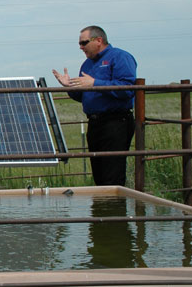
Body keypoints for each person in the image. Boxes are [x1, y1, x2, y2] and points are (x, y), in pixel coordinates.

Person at [52, 25, 137, 186]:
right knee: (99, 172)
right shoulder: (87, 64)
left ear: (99, 40)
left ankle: (114, 208)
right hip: (95, 123)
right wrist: (69, 86)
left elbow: (127, 89)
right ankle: (102, 208)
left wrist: (95, 83)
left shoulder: (119, 57)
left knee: (112, 173)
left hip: (116, 122)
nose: (81, 47)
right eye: (80, 43)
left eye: (84, 42)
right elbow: (84, 95)